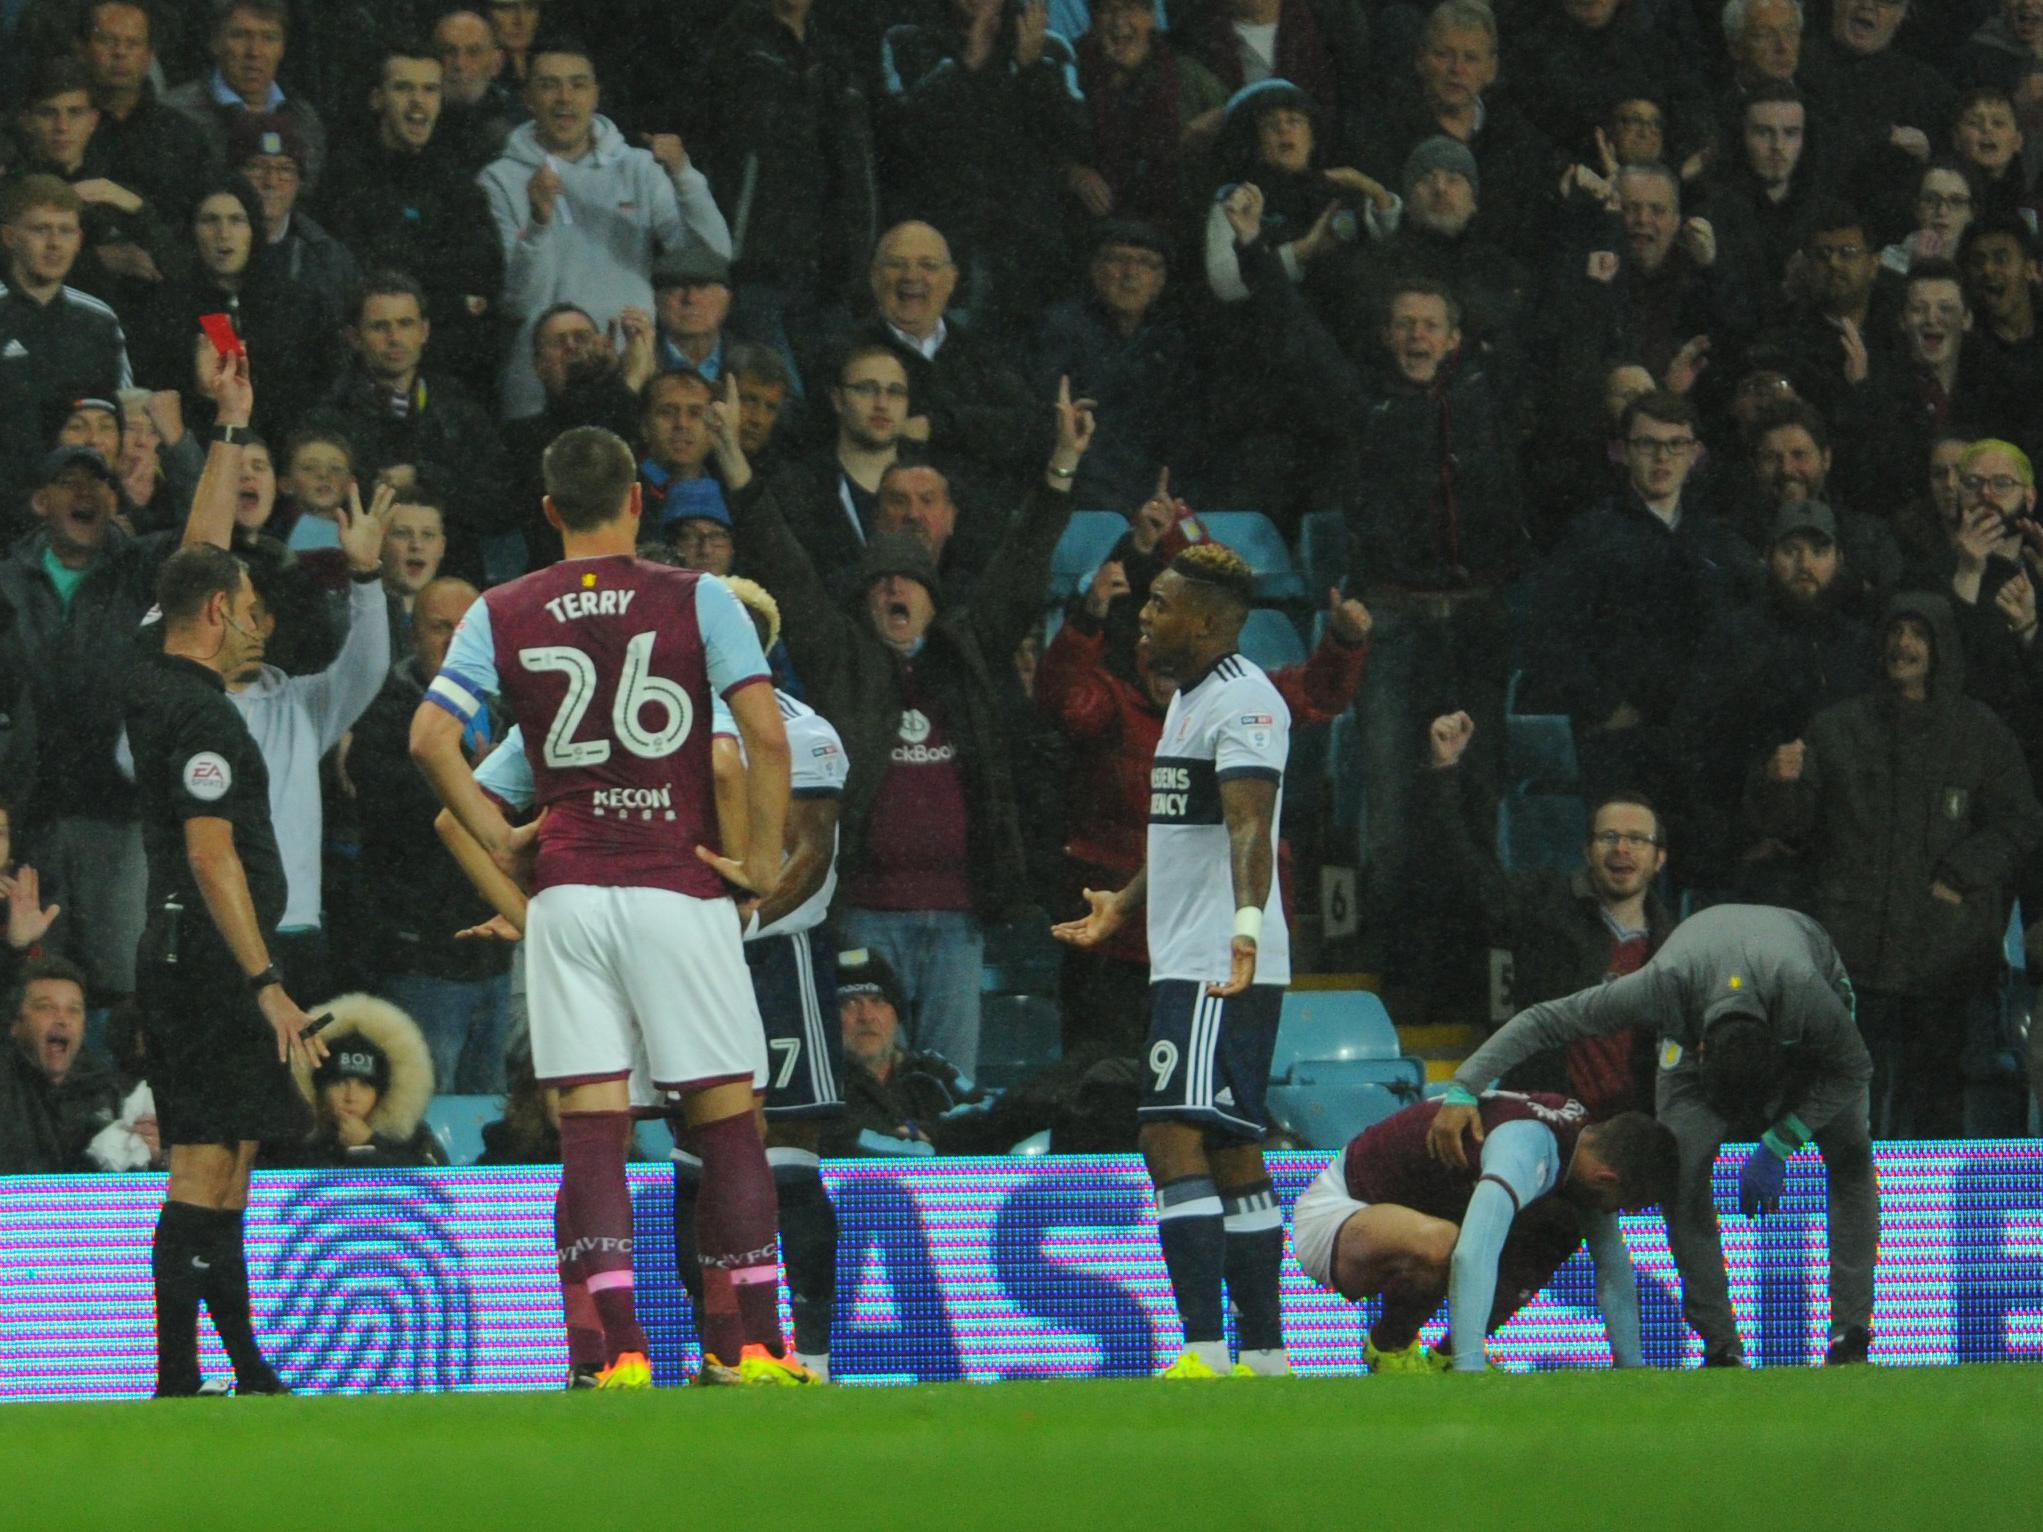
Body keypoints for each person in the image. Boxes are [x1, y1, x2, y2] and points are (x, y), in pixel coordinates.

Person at [410, 423, 809, 1388]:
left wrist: (507, 839)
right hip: (676, 885)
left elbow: (430, 739)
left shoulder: (500, 607)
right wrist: (756, 858)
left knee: (591, 1126)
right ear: (639, 498)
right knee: (723, 1119)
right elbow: (759, 733)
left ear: (548, 511)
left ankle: (611, 1354)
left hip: (574, 896)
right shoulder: (698, 597)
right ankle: (751, 1347)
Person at [724, 375, 1094, 1079]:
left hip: (959, 919)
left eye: (909, 584)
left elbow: (1020, 567)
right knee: (863, 1076)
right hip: (865, 913)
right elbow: (785, 567)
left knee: (949, 1087)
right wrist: (734, 466)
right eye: (883, 584)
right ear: (865, 602)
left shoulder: (969, 655)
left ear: (933, 597)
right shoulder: (841, 662)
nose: (895, 590)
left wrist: (1060, 471)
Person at [1427, 903, 1879, 1368]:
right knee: (1680, 1173)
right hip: (1702, 999)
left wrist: (1783, 1138)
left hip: (1805, 1024)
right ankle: (1721, 1345)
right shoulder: (1660, 987)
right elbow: (1548, 1020)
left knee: (1851, 1158)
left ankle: (1850, 1333)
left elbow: (1856, 1066)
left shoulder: (1804, 993)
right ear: (1697, 1050)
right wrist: (1465, 1086)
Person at [1052, 541, 1295, 1380]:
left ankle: (1200, 1349)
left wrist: (1243, 928)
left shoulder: (1246, 703)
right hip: (1197, 952)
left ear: (1209, 621)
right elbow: (1186, 834)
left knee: (1166, 1135)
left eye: (1160, 604)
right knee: (1232, 1149)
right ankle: (1264, 1355)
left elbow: (1248, 828)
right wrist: (1120, 905)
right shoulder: (1190, 703)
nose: (1145, 616)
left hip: (1214, 960)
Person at [128, 531, 329, 1397]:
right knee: (203, 1166)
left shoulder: (149, 676)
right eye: (248, 612)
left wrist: (231, 428)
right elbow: (212, 855)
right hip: (208, 966)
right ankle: (178, 1377)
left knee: (234, 1164)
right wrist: (265, 982)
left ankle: (244, 1369)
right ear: (216, 612)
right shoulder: (205, 716)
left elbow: (190, 555)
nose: (259, 629)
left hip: (194, 959)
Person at [1747, 589, 2043, 1137]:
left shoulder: (1980, 732)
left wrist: (1961, 873)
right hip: (1852, 955)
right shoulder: (1837, 727)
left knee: (1937, 1101)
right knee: (1843, 1097)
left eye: (1918, 634)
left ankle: (1928, 1218)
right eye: (1894, 632)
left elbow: (2021, 821)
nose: (1903, 644)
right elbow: (1790, 828)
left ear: (1941, 648)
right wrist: (1777, 782)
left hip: (1945, 955)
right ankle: (1843, 1217)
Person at [1290, 1091, 1676, 1372]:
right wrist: (1470, 1370)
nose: (1619, 1214)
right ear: (1606, 1177)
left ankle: (1445, 1358)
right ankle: (1389, 1347)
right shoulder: (1526, 1149)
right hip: (1340, 1212)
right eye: (1623, 1204)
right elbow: (1470, 1255)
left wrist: (1633, 1369)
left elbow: (1614, 1268)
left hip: (1415, 1211)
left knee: (1560, 1225)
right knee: (1445, 1244)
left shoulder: (1583, 1145)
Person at [1419, 714, 1675, 1117]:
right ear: (1587, 852)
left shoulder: (1677, 945)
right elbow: (1467, 879)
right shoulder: (1546, 905)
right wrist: (1444, 773)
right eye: (1608, 837)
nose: (1622, 850)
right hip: (1544, 1123)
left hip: (1633, 1136)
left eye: (1637, 840)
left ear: (1659, 859)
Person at [479, 36, 732, 420]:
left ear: (596, 95)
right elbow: (519, 302)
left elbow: (714, 257)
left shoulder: (638, 168)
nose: (565, 97)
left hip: (628, 376)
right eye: (549, 85)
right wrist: (539, 222)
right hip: (539, 389)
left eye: (578, 84)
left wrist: (684, 175)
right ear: (527, 98)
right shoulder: (499, 179)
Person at [162, 0, 327, 196]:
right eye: (240, 35)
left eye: (269, 38)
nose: (255, 52)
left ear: (282, 48)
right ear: (215, 42)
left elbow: (305, 201)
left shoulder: (303, 120)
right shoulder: (174, 112)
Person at [278, 994, 446, 1168]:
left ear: (382, 1093)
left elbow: (435, 1187)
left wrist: (370, 1145)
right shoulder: (294, 1137)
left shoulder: (414, 1140)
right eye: (340, 1083)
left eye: (364, 1085)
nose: (351, 1097)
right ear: (319, 1088)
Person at [0, 955, 127, 1173]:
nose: (62, 1019)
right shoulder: (7, 1084)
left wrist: (151, 1156)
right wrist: (13, 949)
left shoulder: (105, 1089)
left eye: (74, 1010)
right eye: (46, 1008)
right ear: (15, 1024)